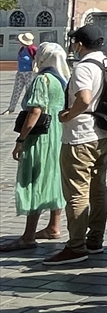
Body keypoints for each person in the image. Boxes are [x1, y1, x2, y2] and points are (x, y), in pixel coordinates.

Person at [43, 24, 107, 266]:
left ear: (80, 44)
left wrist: (68, 115)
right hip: (104, 132)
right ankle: (95, 239)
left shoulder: (84, 67)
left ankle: (76, 246)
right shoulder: (106, 62)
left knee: (76, 191)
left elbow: (84, 99)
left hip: (81, 135)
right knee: (98, 188)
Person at [2, 42, 68, 251]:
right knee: (53, 177)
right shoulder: (62, 79)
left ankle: (29, 235)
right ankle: (53, 226)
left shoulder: (42, 79)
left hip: (40, 137)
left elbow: (35, 111)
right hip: (57, 133)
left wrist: (21, 139)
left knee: (34, 180)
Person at [7, 32, 37, 114]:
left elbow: (37, 59)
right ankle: (11, 108)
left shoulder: (32, 49)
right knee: (16, 90)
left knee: (29, 90)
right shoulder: (22, 49)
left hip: (29, 73)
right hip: (20, 72)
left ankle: (29, 107)